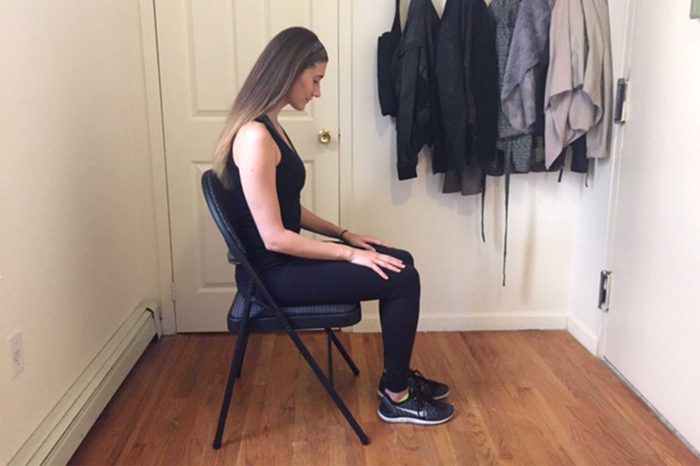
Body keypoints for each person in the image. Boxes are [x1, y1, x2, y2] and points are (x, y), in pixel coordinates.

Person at [212, 26, 454, 425]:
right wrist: (349, 254)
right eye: (315, 80)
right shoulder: (255, 137)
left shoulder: (271, 127)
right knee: (402, 279)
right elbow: (274, 237)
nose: (317, 92)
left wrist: (345, 234)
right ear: (290, 71)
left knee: (399, 259)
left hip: (282, 264)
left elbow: (290, 210)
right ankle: (397, 396)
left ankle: (395, 376)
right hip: (273, 277)